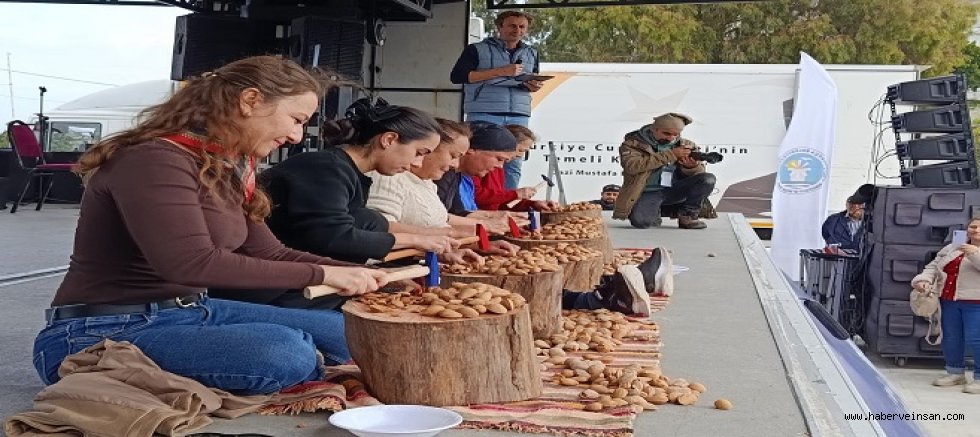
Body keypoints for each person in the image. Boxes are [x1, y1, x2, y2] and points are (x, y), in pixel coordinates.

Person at [31, 56, 391, 395]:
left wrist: (366, 275)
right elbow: (190, 263)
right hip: (101, 329)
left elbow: (272, 252)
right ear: (250, 100)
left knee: (348, 332)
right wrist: (322, 275)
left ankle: (306, 365)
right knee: (286, 353)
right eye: (296, 119)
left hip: (191, 309)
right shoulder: (153, 159)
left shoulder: (222, 167)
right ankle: (309, 368)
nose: (297, 136)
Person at [257, 98, 458, 265]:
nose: (417, 163)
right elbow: (333, 237)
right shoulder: (327, 169)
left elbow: (365, 225)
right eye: (419, 153)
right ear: (388, 139)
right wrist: (416, 240)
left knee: (371, 219)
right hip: (270, 279)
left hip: (300, 270)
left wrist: (427, 245)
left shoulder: (349, 172)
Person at [450, 10, 541, 190]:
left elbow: (532, 78)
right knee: (478, 159)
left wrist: (533, 86)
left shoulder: (532, 53)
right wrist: (501, 71)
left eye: (522, 27)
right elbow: (458, 76)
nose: (517, 30)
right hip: (484, 111)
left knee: (513, 163)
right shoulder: (476, 49)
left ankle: (507, 199)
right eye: (512, 26)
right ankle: (472, 199)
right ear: (499, 27)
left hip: (518, 113)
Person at [911, 217, 980, 394]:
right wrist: (923, 280)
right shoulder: (953, 247)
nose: (976, 230)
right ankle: (955, 372)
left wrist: (974, 253)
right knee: (951, 337)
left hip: (976, 303)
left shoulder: (971, 250)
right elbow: (933, 266)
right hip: (949, 300)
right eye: (973, 226)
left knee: (976, 339)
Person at [612, 112, 716, 230]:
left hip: (675, 189)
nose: (671, 138)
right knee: (641, 222)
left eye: (675, 134)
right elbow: (632, 166)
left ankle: (688, 215)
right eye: (666, 133)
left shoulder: (686, 145)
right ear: (654, 129)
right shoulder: (633, 144)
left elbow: (699, 175)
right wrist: (671, 154)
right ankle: (655, 211)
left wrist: (691, 167)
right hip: (648, 191)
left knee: (707, 179)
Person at [473, 124, 549, 211]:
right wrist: (515, 194)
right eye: (520, 150)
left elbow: (500, 202)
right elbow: (475, 195)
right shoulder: (478, 166)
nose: (520, 155)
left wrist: (533, 204)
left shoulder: (499, 168)